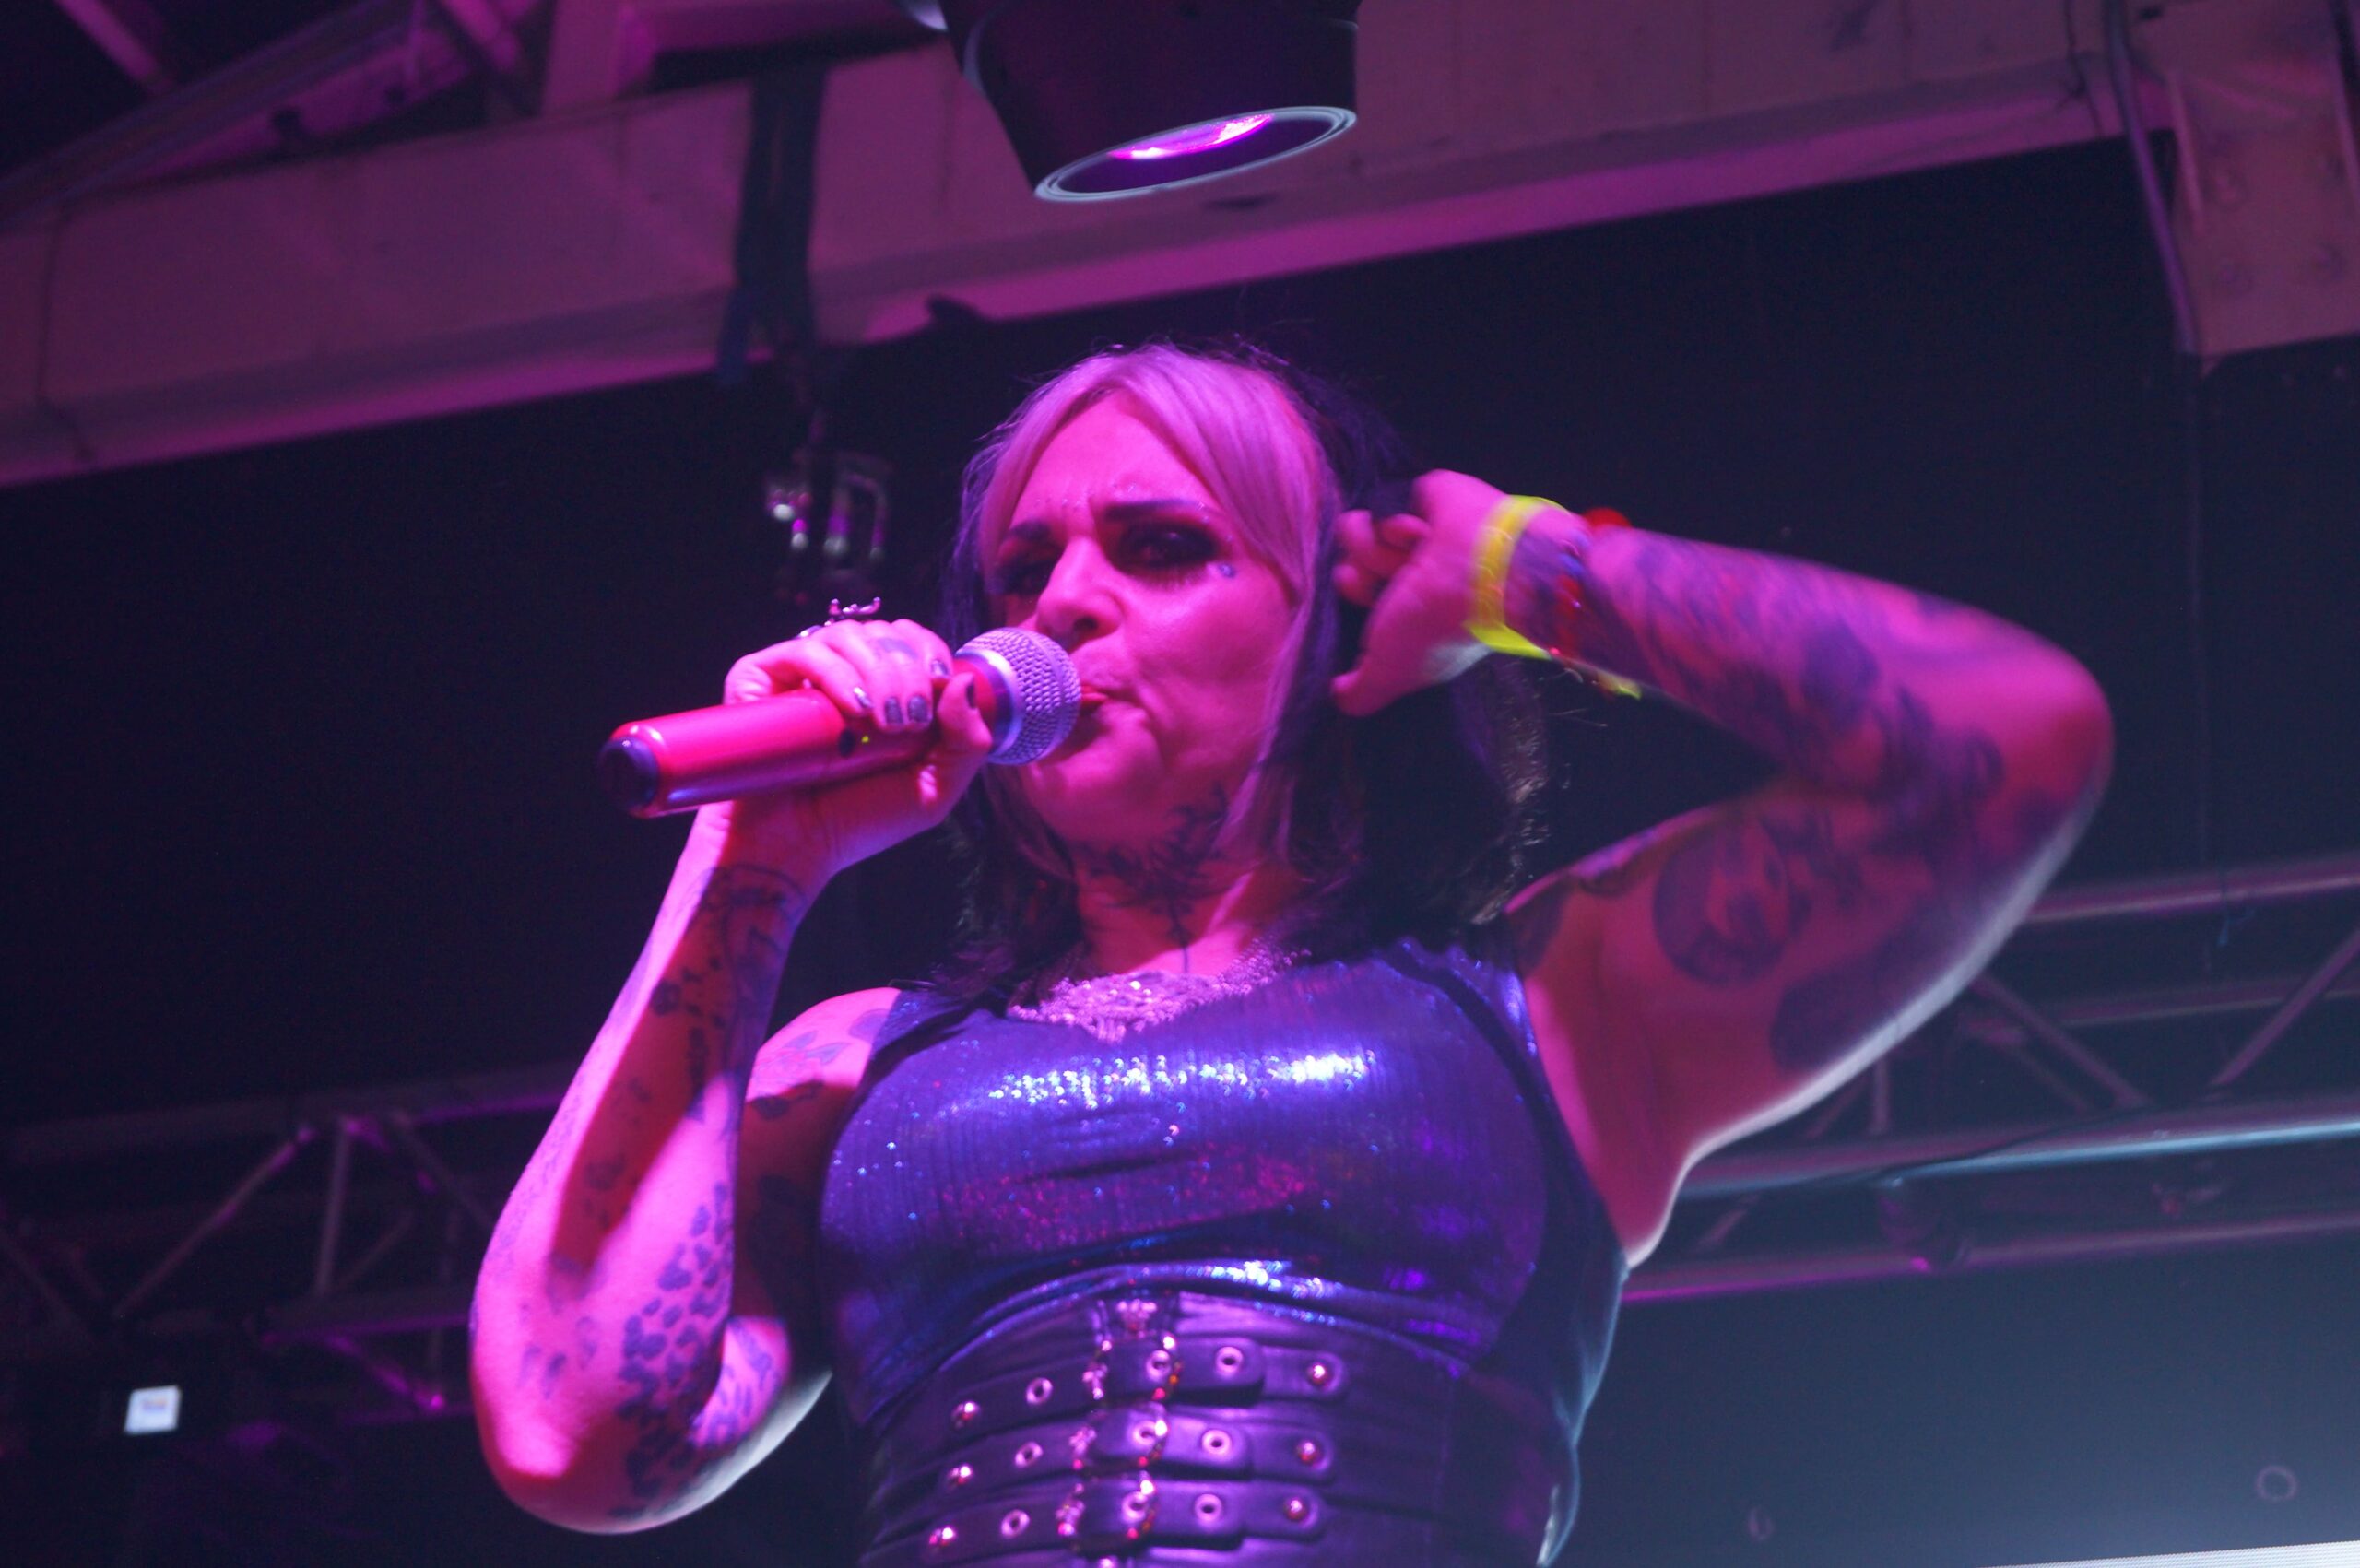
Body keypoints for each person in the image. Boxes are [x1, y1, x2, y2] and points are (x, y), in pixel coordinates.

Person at [470, 342, 2113, 1565]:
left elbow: (2009, 740)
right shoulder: (858, 1061)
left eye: (1161, 547)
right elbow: (567, 1435)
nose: (1063, 605)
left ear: (1329, 624)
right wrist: (753, 855)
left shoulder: (1555, 1002)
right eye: (1024, 568)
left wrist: (1531, 573)